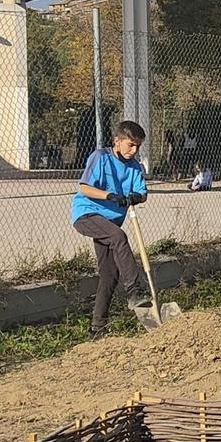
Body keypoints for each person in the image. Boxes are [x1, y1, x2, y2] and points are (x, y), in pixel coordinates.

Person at [70, 120, 152, 338]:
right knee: (119, 237)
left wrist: (137, 197)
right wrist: (109, 195)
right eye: (130, 145)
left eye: (138, 147)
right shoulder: (101, 157)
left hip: (110, 222)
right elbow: (85, 187)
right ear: (117, 141)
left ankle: (98, 327)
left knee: (109, 274)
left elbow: (142, 192)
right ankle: (135, 291)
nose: (134, 151)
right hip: (87, 214)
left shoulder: (134, 167)